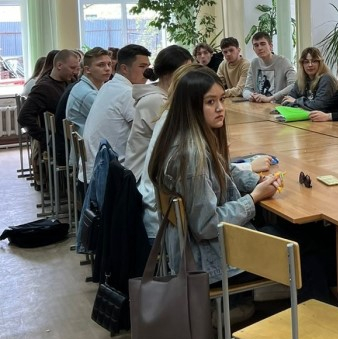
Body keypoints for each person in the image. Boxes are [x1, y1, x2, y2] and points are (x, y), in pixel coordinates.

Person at [147, 66, 283, 286]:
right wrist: (253, 198)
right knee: (310, 245)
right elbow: (207, 225)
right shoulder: (192, 156)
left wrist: (256, 181)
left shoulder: (185, 137)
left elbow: (223, 170)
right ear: (191, 107)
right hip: (211, 263)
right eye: (210, 102)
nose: (220, 108)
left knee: (282, 230)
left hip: (201, 253)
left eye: (221, 99)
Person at [81, 44, 151, 184]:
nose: (148, 72)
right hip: (105, 179)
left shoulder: (109, 86)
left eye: (148, 66)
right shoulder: (127, 93)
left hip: (91, 173)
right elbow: (147, 133)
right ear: (124, 68)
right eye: (142, 66)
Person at [124, 45, 193, 180]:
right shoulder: (156, 100)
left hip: (154, 171)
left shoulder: (162, 95)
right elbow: (179, 140)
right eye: (185, 71)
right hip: (143, 178)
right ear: (168, 73)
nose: (190, 76)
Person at [17, 49, 81, 189]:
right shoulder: (43, 87)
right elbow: (23, 117)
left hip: (67, 138)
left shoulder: (69, 81)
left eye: (77, 68)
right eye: (72, 68)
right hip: (61, 144)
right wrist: (46, 137)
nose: (75, 72)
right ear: (59, 65)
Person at [242, 32, 296, 103]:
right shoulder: (254, 63)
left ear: (271, 46)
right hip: (260, 105)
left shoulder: (283, 61)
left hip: (278, 105)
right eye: (256, 45)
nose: (259, 48)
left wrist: (270, 98)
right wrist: (251, 96)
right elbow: (247, 89)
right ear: (253, 49)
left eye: (263, 44)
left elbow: (294, 85)